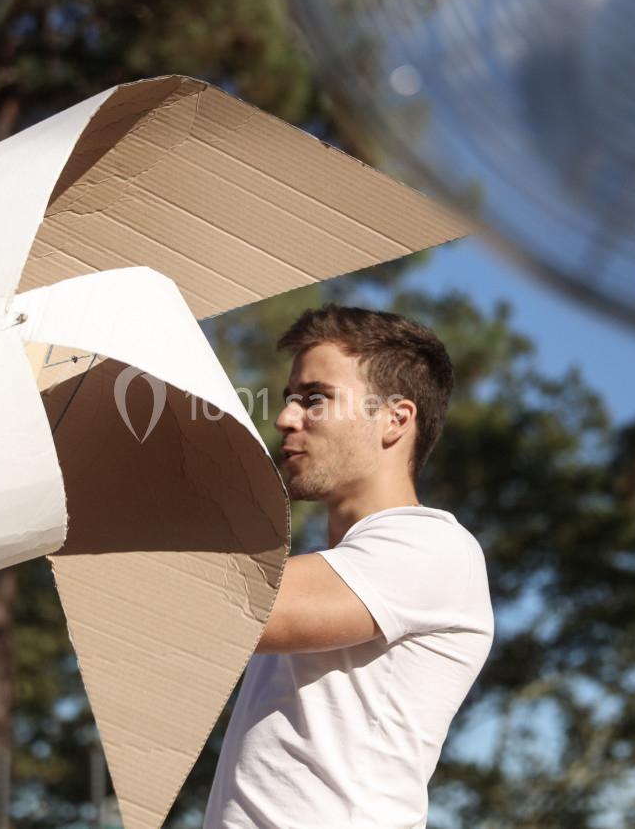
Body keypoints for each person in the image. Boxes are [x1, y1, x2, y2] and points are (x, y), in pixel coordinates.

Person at [203, 304, 495, 829]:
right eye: (292, 399)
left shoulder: (433, 548)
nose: (286, 418)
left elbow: (235, 608)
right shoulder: (328, 571)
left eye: (315, 399)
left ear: (395, 419)